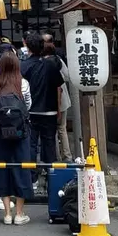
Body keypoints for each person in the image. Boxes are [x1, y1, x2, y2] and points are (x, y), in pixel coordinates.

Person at [0, 52, 33, 226]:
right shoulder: (22, 83)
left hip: (2, 132)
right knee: (21, 168)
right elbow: (28, 104)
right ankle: (19, 213)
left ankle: (7, 214)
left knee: (2, 169)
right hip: (20, 132)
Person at [21, 32, 63, 192]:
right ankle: (50, 176)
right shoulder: (51, 65)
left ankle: (32, 178)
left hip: (30, 111)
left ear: (27, 46)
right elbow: (59, 88)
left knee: (31, 145)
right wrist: (59, 109)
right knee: (49, 143)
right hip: (50, 110)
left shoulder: (23, 66)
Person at [43, 34, 73, 163]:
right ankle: (68, 157)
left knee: (51, 131)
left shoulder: (42, 63)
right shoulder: (58, 60)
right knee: (62, 129)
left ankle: (55, 158)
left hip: (47, 100)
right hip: (63, 100)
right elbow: (67, 76)